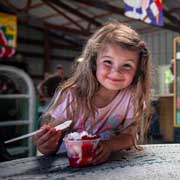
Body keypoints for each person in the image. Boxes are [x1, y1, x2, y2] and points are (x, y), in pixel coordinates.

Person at [33, 21, 152, 165]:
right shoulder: (72, 96)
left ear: (137, 70)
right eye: (108, 62)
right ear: (94, 62)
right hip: (67, 167)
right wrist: (45, 145)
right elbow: (50, 145)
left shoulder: (131, 97)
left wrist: (109, 145)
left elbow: (130, 136)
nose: (116, 72)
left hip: (110, 168)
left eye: (127, 65)